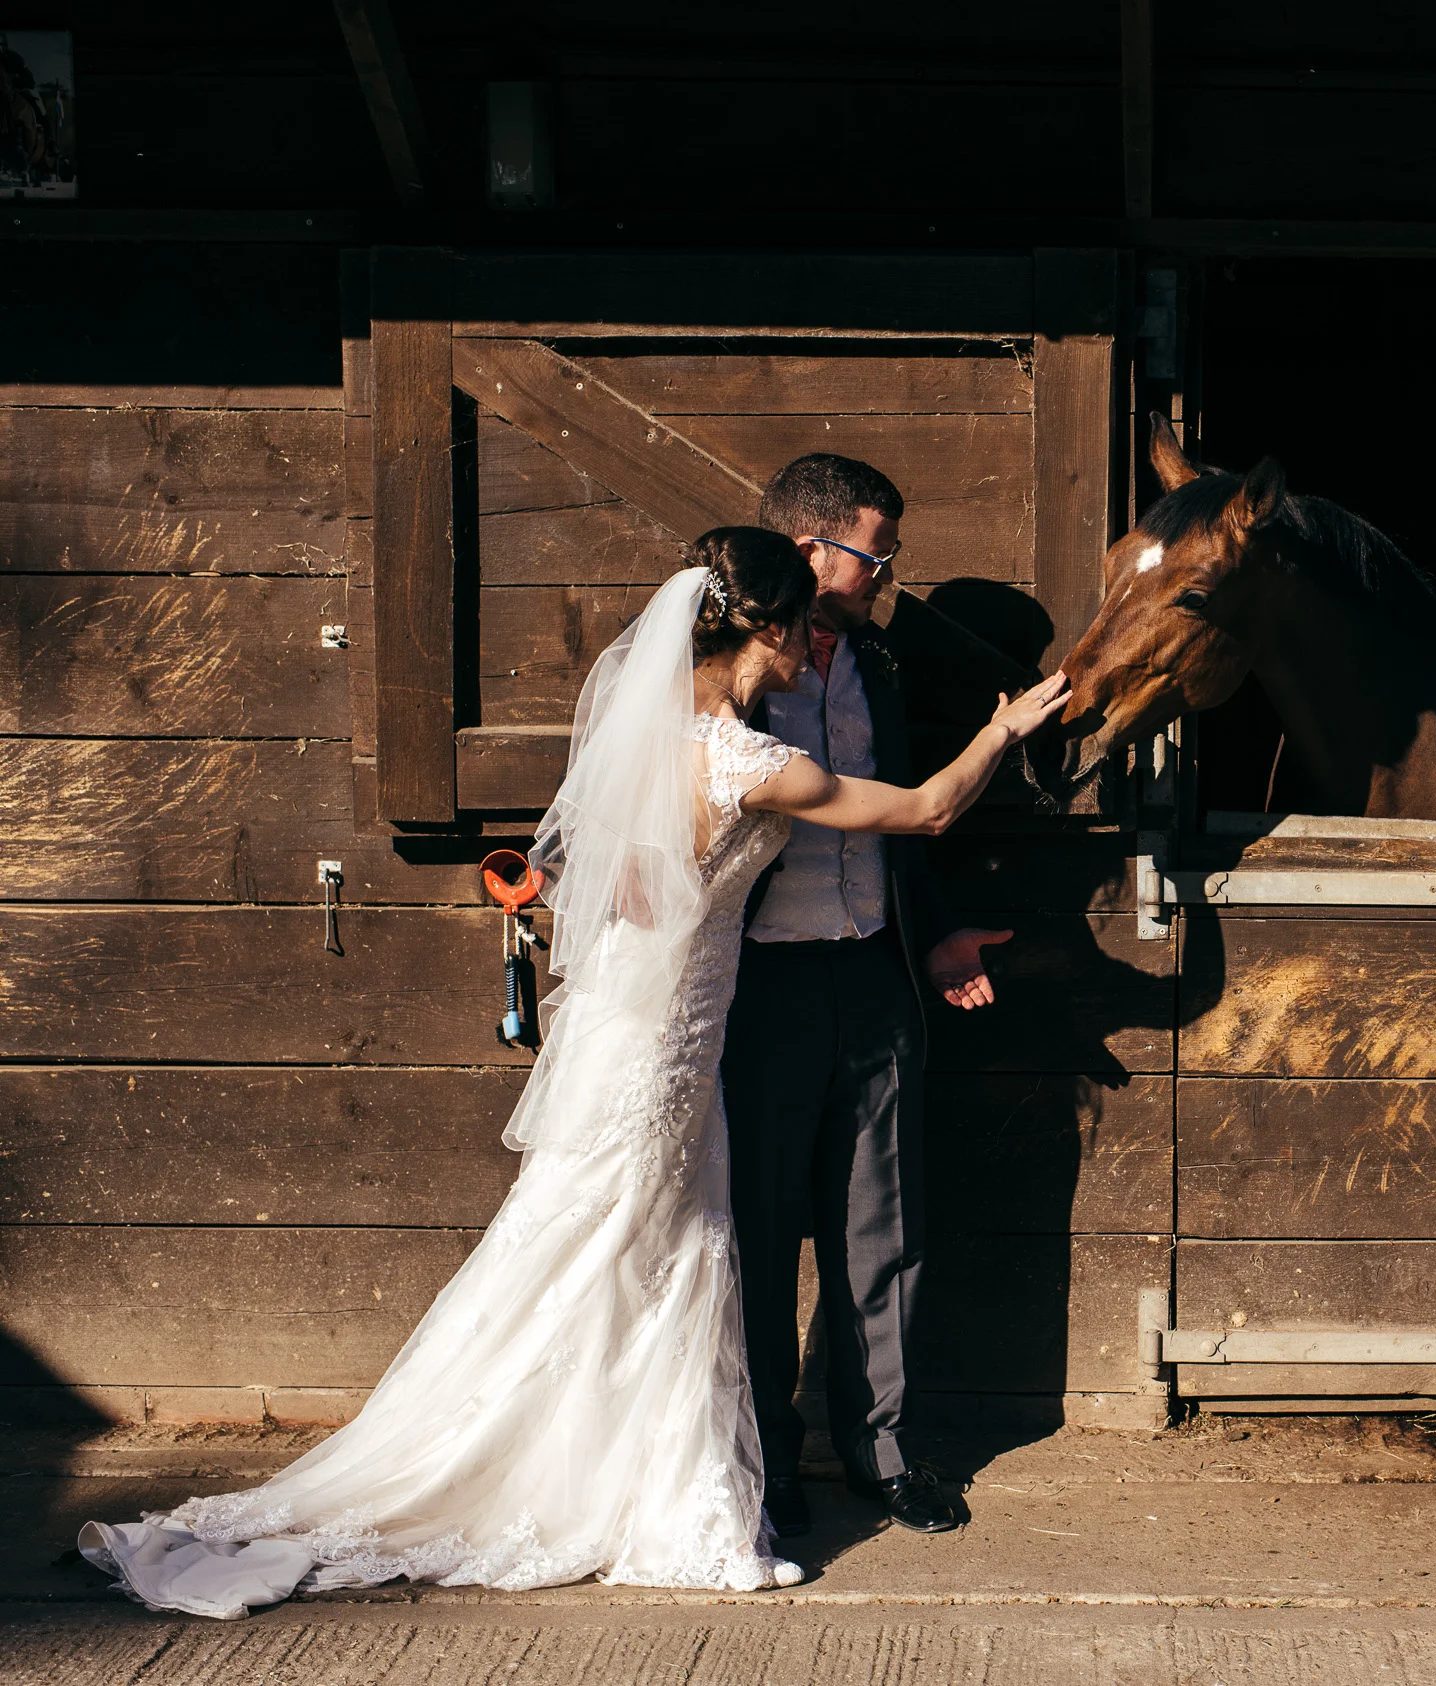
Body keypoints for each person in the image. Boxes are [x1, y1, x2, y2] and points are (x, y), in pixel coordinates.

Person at [76, 529, 1069, 1619]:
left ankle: (620, 1472)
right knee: (640, 1245)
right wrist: (1001, 729)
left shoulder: (644, 738)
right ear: (769, 628)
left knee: (612, 1242)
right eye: (801, 630)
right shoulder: (747, 761)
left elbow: (605, 881)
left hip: (633, 1024)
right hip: (666, 1040)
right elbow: (926, 809)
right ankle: (628, 1490)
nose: (810, 648)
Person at [723, 454, 1014, 1538]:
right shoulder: (725, 669)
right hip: (758, 985)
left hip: (874, 972)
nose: (887, 573)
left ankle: (882, 1452)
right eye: (874, 554)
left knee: (881, 1224)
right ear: (811, 550)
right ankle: (766, 1456)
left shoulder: (878, 663)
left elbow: (900, 828)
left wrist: (934, 936)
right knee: (758, 1231)